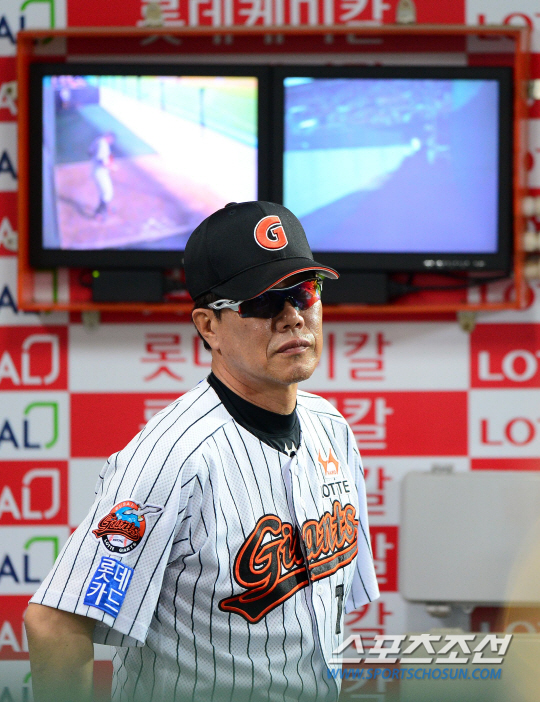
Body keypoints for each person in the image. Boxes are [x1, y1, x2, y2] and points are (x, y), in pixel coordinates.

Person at [25, 201, 379, 702]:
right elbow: (54, 623)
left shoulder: (332, 429)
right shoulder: (172, 456)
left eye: (304, 292)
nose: (292, 318)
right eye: (263, 302)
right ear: (208, 326)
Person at [89, 132, 115, 218]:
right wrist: (111, 167)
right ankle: (99, 213)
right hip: (100, 172)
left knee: (103, 193)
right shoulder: (103, 144)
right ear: (109, 137)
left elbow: (89, 152)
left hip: (95, 170)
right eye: (112, 139)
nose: (112, 142)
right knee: (108, 193)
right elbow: (101, 160)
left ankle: (103, 210)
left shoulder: (98, 140)